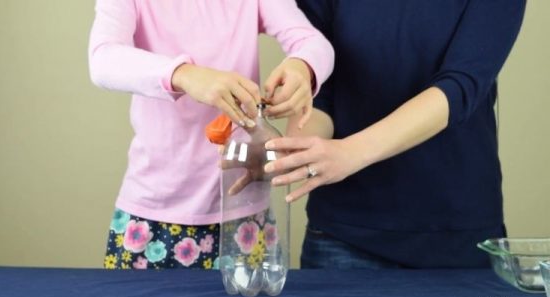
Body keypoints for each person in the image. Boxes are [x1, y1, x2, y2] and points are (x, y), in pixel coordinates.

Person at [263, 0, 526, 269]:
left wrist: (349, 153)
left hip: (457, 231)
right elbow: (321, 91)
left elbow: (461, 86)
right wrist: (294, 153)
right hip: (343, 236)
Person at [88, 0, 334, 269]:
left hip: (244, 215)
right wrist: (184, 74)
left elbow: (313, 42)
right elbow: (103, 59)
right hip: (149, 215)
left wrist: (302, 66)